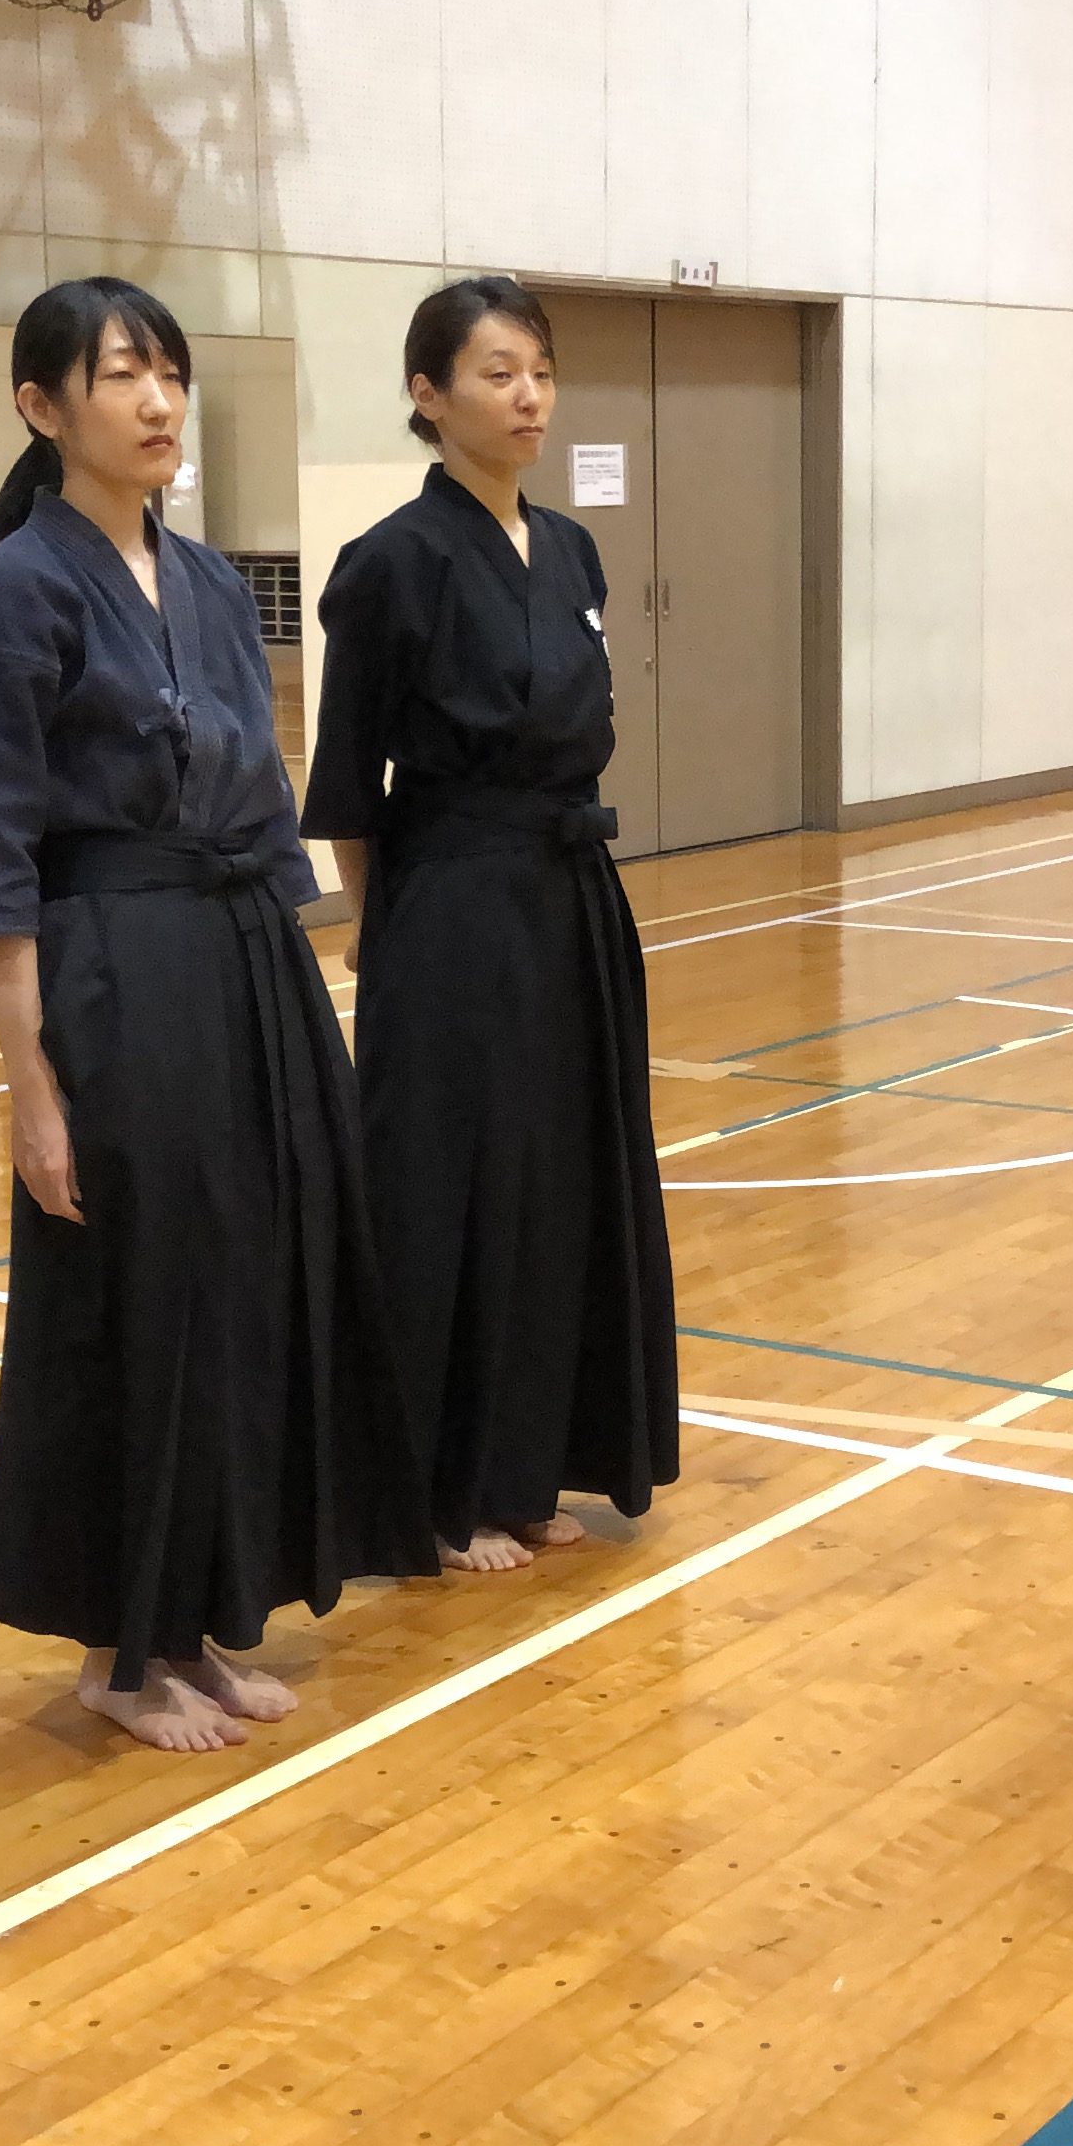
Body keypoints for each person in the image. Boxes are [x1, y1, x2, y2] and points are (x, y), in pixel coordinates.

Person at [0, 276, 435, 1752]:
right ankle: (115, 1650)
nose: (155, 403)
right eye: (121, 375)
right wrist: (31, 1090)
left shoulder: (205, 582)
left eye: (168, 375)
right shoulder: (11, 592)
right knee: (133, 1305)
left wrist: (308, 990)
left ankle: (202, 1616)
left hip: (242, 967)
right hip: (105, 972)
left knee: (246, 1289)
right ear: (41, 408)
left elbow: (265, 794)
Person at [303, 277, 678, 1571]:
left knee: (561, 1181)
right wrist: (378, 930)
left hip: (569, 898)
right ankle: (433, 1491)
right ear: (429, 394)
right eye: (496, 373)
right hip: (450, 906)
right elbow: (351, 783)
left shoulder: (569, 550)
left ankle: (530, 1467)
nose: (527, 397)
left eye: (540, 372)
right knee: (447, 1196)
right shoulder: (390, 566)